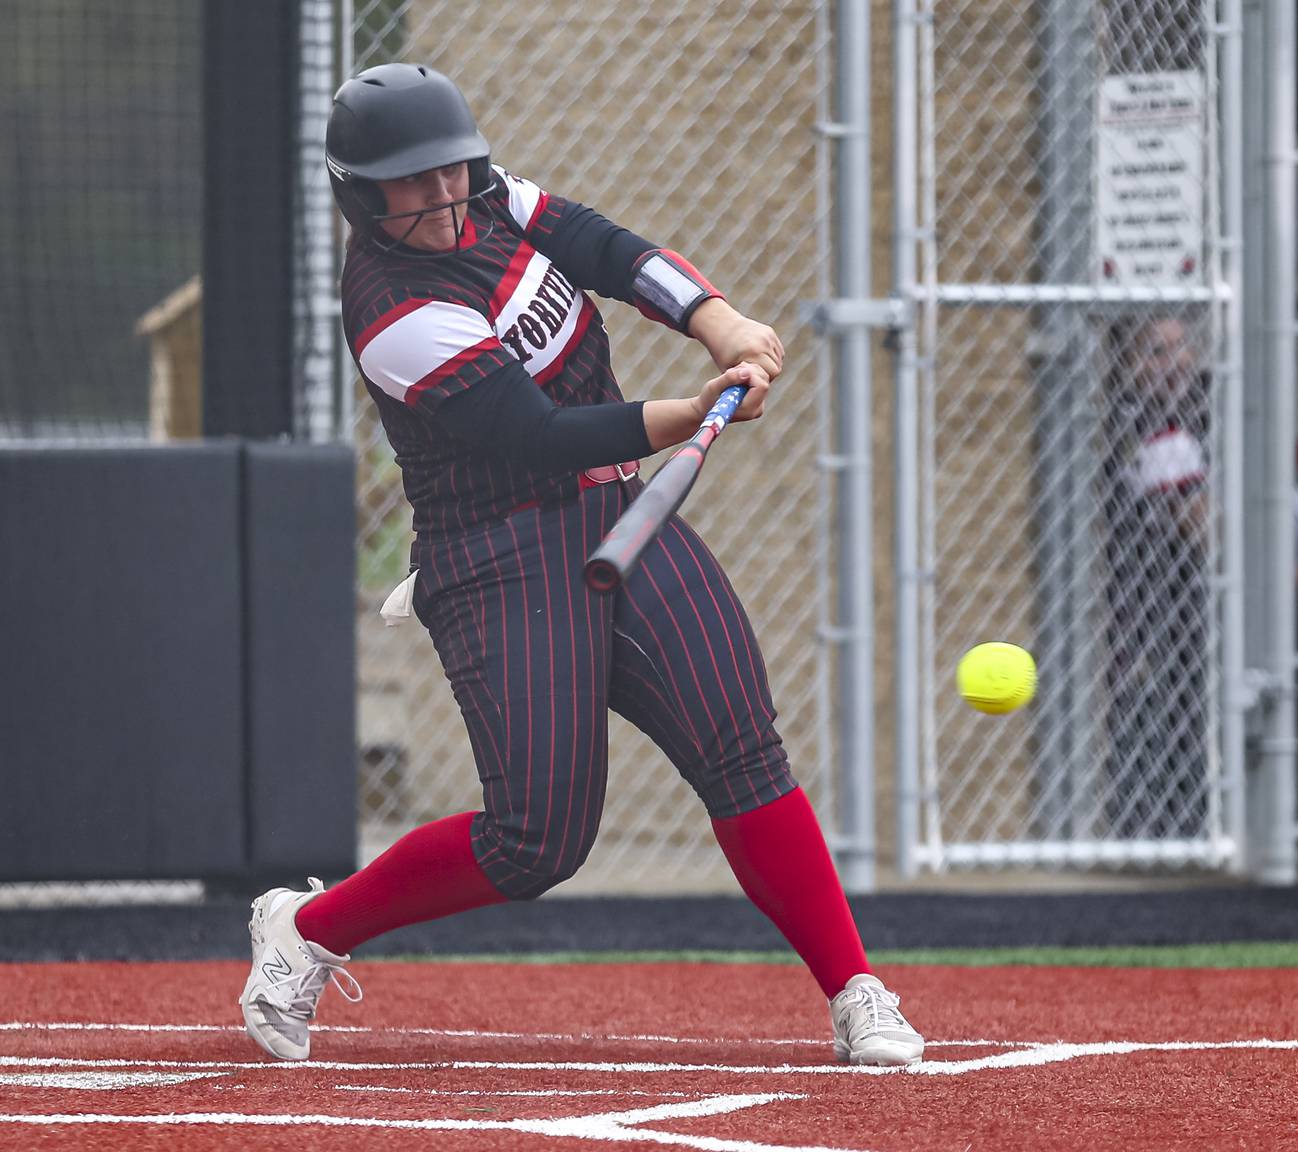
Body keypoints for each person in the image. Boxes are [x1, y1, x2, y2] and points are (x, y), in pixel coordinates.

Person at [237, 62, 923, 1067]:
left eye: (449, 171)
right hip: (498, 552)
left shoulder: (486, 196)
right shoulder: (393, 313)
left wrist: (715, 319)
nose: (439, 196)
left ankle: (856, 988)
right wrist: (686, 415)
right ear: (361, 195)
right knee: (537, 843)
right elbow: (534, 434)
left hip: (615, 512)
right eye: (409, 183)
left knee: (739, 745)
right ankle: (307, 929)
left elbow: (603, 246)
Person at [1100, 315, 1211, 840]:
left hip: (1179, 612)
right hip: (1147, 610)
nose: (1175, 364)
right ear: (1126, 367)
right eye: (1155, 354)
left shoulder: (1198, 413)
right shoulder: (1141, 423)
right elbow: (1203, 527)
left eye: (1180, 349)